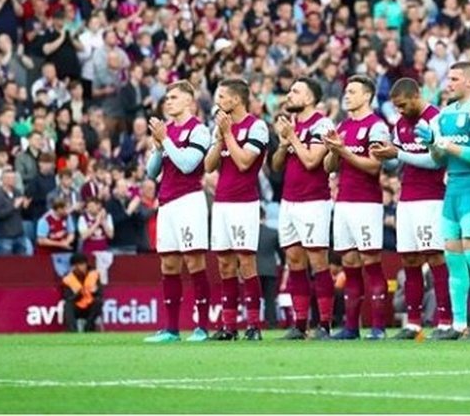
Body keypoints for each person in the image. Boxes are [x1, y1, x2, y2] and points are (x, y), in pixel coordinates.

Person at [419, 62, 470, 340]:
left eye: (454, 79)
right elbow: (439, 160)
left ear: (469, 82)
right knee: (453, 258)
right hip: (452, 189)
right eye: (447, 78)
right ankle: (458, 323)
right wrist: (430, 143)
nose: (448, 83)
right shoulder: (443, 115)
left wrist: (447, 145)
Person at [371, 78, 451, 340]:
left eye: (403, 105)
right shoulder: (400, 124)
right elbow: (397, 164)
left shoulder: (436, 119)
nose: (400, 111)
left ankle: (445, 321)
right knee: (409, 259)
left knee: (435, 258)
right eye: (396, 107)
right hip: (407, 199)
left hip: (432, 198)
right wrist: (385, 157)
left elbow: (435, 161)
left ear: (417, 96)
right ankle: (414, 323)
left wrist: (398, 154)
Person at [143, 80, 213, 343]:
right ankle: (171, 329)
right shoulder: (166, 130)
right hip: (167, 202)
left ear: (189, 102)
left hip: (189, 201)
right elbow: (151, 172)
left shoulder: (200, 131)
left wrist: (166, 141)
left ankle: (202, 327)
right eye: (166, 98)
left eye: (173, 97)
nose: (168, 101)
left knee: (194, 261)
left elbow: (187, 164)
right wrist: (159, 146)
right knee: (168, 263)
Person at [323, 75, 392, 339]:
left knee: (371, 263)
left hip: (366, 203)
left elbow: (374, 166)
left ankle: (378, 327)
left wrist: (345, 152)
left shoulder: (376, 127)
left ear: (367, 96)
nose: (347, 95)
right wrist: (333, 151)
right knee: (349, 263)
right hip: (343, 203)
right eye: (346, 91)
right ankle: (351, 328)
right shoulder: (343, 126)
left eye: (352, 91)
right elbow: (330, 167)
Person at [205, 78, 270, 341]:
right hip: (221, 202)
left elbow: (244, 163)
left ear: (236, 100)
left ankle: (253, 325)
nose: (218, 102)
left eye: (222, 97)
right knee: (224, 265)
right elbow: (209, 166)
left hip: (244, 203)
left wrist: (228, 134)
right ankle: (228, 326)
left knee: (246, 263)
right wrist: (220, 137)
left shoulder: (257, 127)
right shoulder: (220, 128)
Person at [270, 77, 335, 339]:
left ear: (309, 98)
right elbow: (275, 166)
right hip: (289, 200)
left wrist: (292, 137)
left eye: (295, 91)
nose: (289, 95)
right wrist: (284, 144)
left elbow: (311, 161)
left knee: (318, 260)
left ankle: (325, 324)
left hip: (314, 200)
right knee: (294, 260)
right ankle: (299, 324)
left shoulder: (322, 123)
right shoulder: (291, 126)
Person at [0, 169, 32, 255]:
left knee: (22, 263)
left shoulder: (17, 192)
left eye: (13, 178)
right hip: (5, 237)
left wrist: (25, 206)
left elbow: (21, 212)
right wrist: (13, 206)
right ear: (2, 180)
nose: (12, 180)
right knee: (6, 265)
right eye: (9, 178)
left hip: (20, 234)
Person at [61, 253, 103, 333]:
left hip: (90, 307)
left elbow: (100, 293)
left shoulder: (94, 275)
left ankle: (89, 328)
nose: (79, 267)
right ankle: (73, 331)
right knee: (67, 305)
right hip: (77, 308)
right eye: (75, 265)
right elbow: (68, 297)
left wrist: (95, 291)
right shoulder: (68, 279)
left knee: (98, 302)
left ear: (86, 264)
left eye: (81, 264)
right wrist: (79, 293)